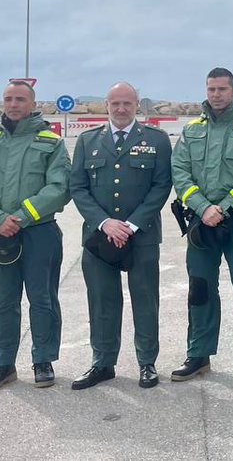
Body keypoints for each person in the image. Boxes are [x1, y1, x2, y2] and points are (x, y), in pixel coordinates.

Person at [0, 80, 71, 391]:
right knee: (0, 301)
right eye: (8, 98)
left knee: (43, 299)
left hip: (39, 233)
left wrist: (20, 217)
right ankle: (2, 363)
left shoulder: (51, 143)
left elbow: (59, 188)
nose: (13, 104)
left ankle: (43, 360)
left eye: (20, 99)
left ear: (32, 103)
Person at [68, 82, 172, 390]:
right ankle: (102, 363)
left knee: (145, 300)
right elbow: (78, 187)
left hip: (142, 236)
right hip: (100, 237)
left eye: (127, 103)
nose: (121, 109)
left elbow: (161, 186)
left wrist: (132, 224)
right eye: (115, 104)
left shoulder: (156, 140)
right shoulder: (88, 141)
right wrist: (104, 222)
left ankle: (147, 363)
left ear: (137, 105)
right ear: (106, 105)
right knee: (101, 301)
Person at [170, 67, 233, 386]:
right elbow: (180, 171)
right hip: (200, 221)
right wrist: (202, 207)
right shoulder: (192, 129)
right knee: (200, 288)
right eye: (211, 88)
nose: (216, 94)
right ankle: (198, 354)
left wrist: (223, 208)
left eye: (222, 89)